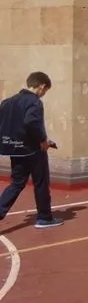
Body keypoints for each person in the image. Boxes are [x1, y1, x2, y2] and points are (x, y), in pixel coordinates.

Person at [0, 71, 64, 228]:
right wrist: (43, 140)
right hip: (32, 150)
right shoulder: (34, 102)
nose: (43, 94)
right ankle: (44, 217)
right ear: (41, 86)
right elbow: (31, 122)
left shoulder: (7, 102)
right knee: (41, 183)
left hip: (14, 150)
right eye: (45, 90)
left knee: (16, 183)